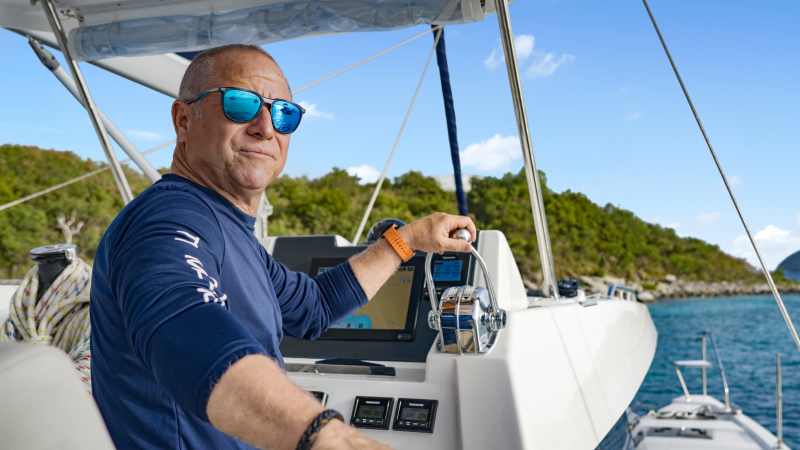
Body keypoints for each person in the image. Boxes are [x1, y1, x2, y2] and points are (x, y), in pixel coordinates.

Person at [90, 44, 476, 450]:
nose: (265, 126)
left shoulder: (232, 233)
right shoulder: (167, 220)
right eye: (239, 104)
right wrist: (327, 436)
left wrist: (406, 241)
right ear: (184, 120)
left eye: (283, 114)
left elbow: (315, 306)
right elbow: (185, 325)